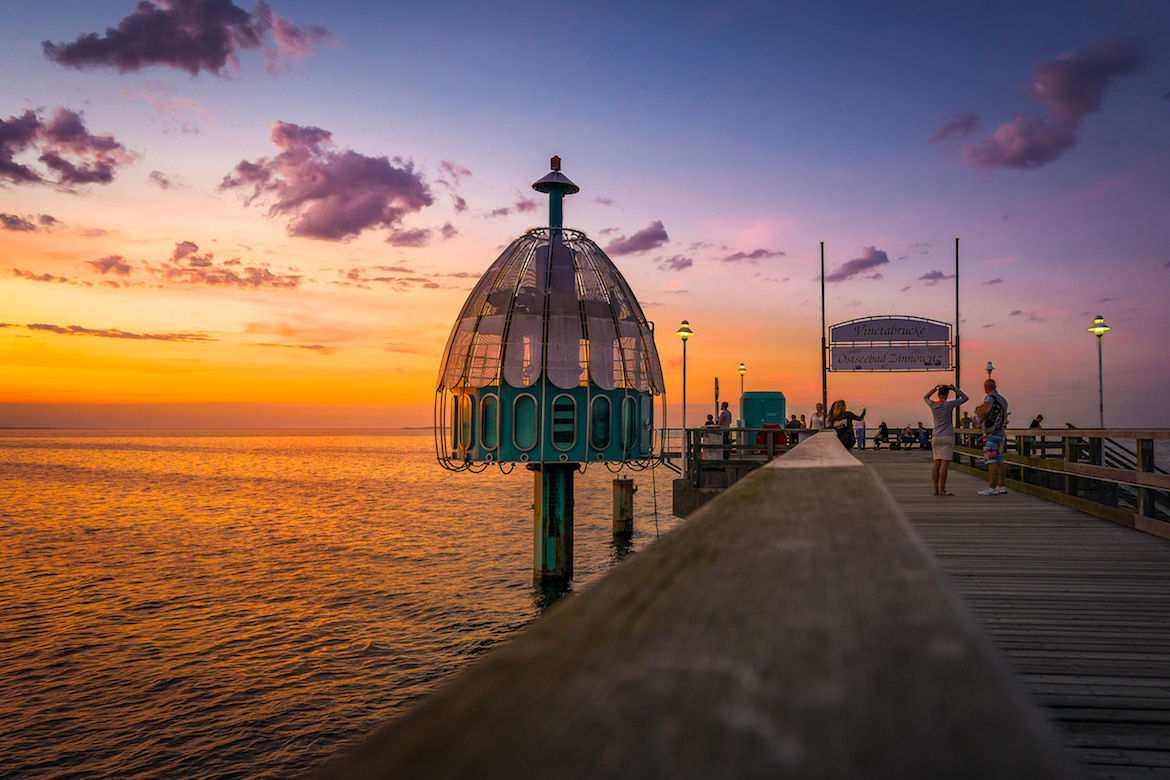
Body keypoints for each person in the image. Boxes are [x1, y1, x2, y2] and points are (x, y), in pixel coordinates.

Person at [925, 383, 969, 496]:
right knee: (944, 463)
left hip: (936, 436)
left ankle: (935, 489)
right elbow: (965, 398)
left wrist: (933, 389)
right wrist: (955, 389)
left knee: (936, 462)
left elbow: (925, 397)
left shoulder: (933, 405)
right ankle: (942, 489)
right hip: (948, 435)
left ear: (938, 394)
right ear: (947, 395)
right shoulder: (949, 404)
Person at [975, 378, 1009, 495]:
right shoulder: (1003, 400)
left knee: (991, 460)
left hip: (991, 433)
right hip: (1001, 433)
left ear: (987, 387)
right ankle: (1002, 486)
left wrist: (980, 414)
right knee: (1000, 459)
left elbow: (985, 410)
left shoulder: (989, 398)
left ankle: (991, 487)